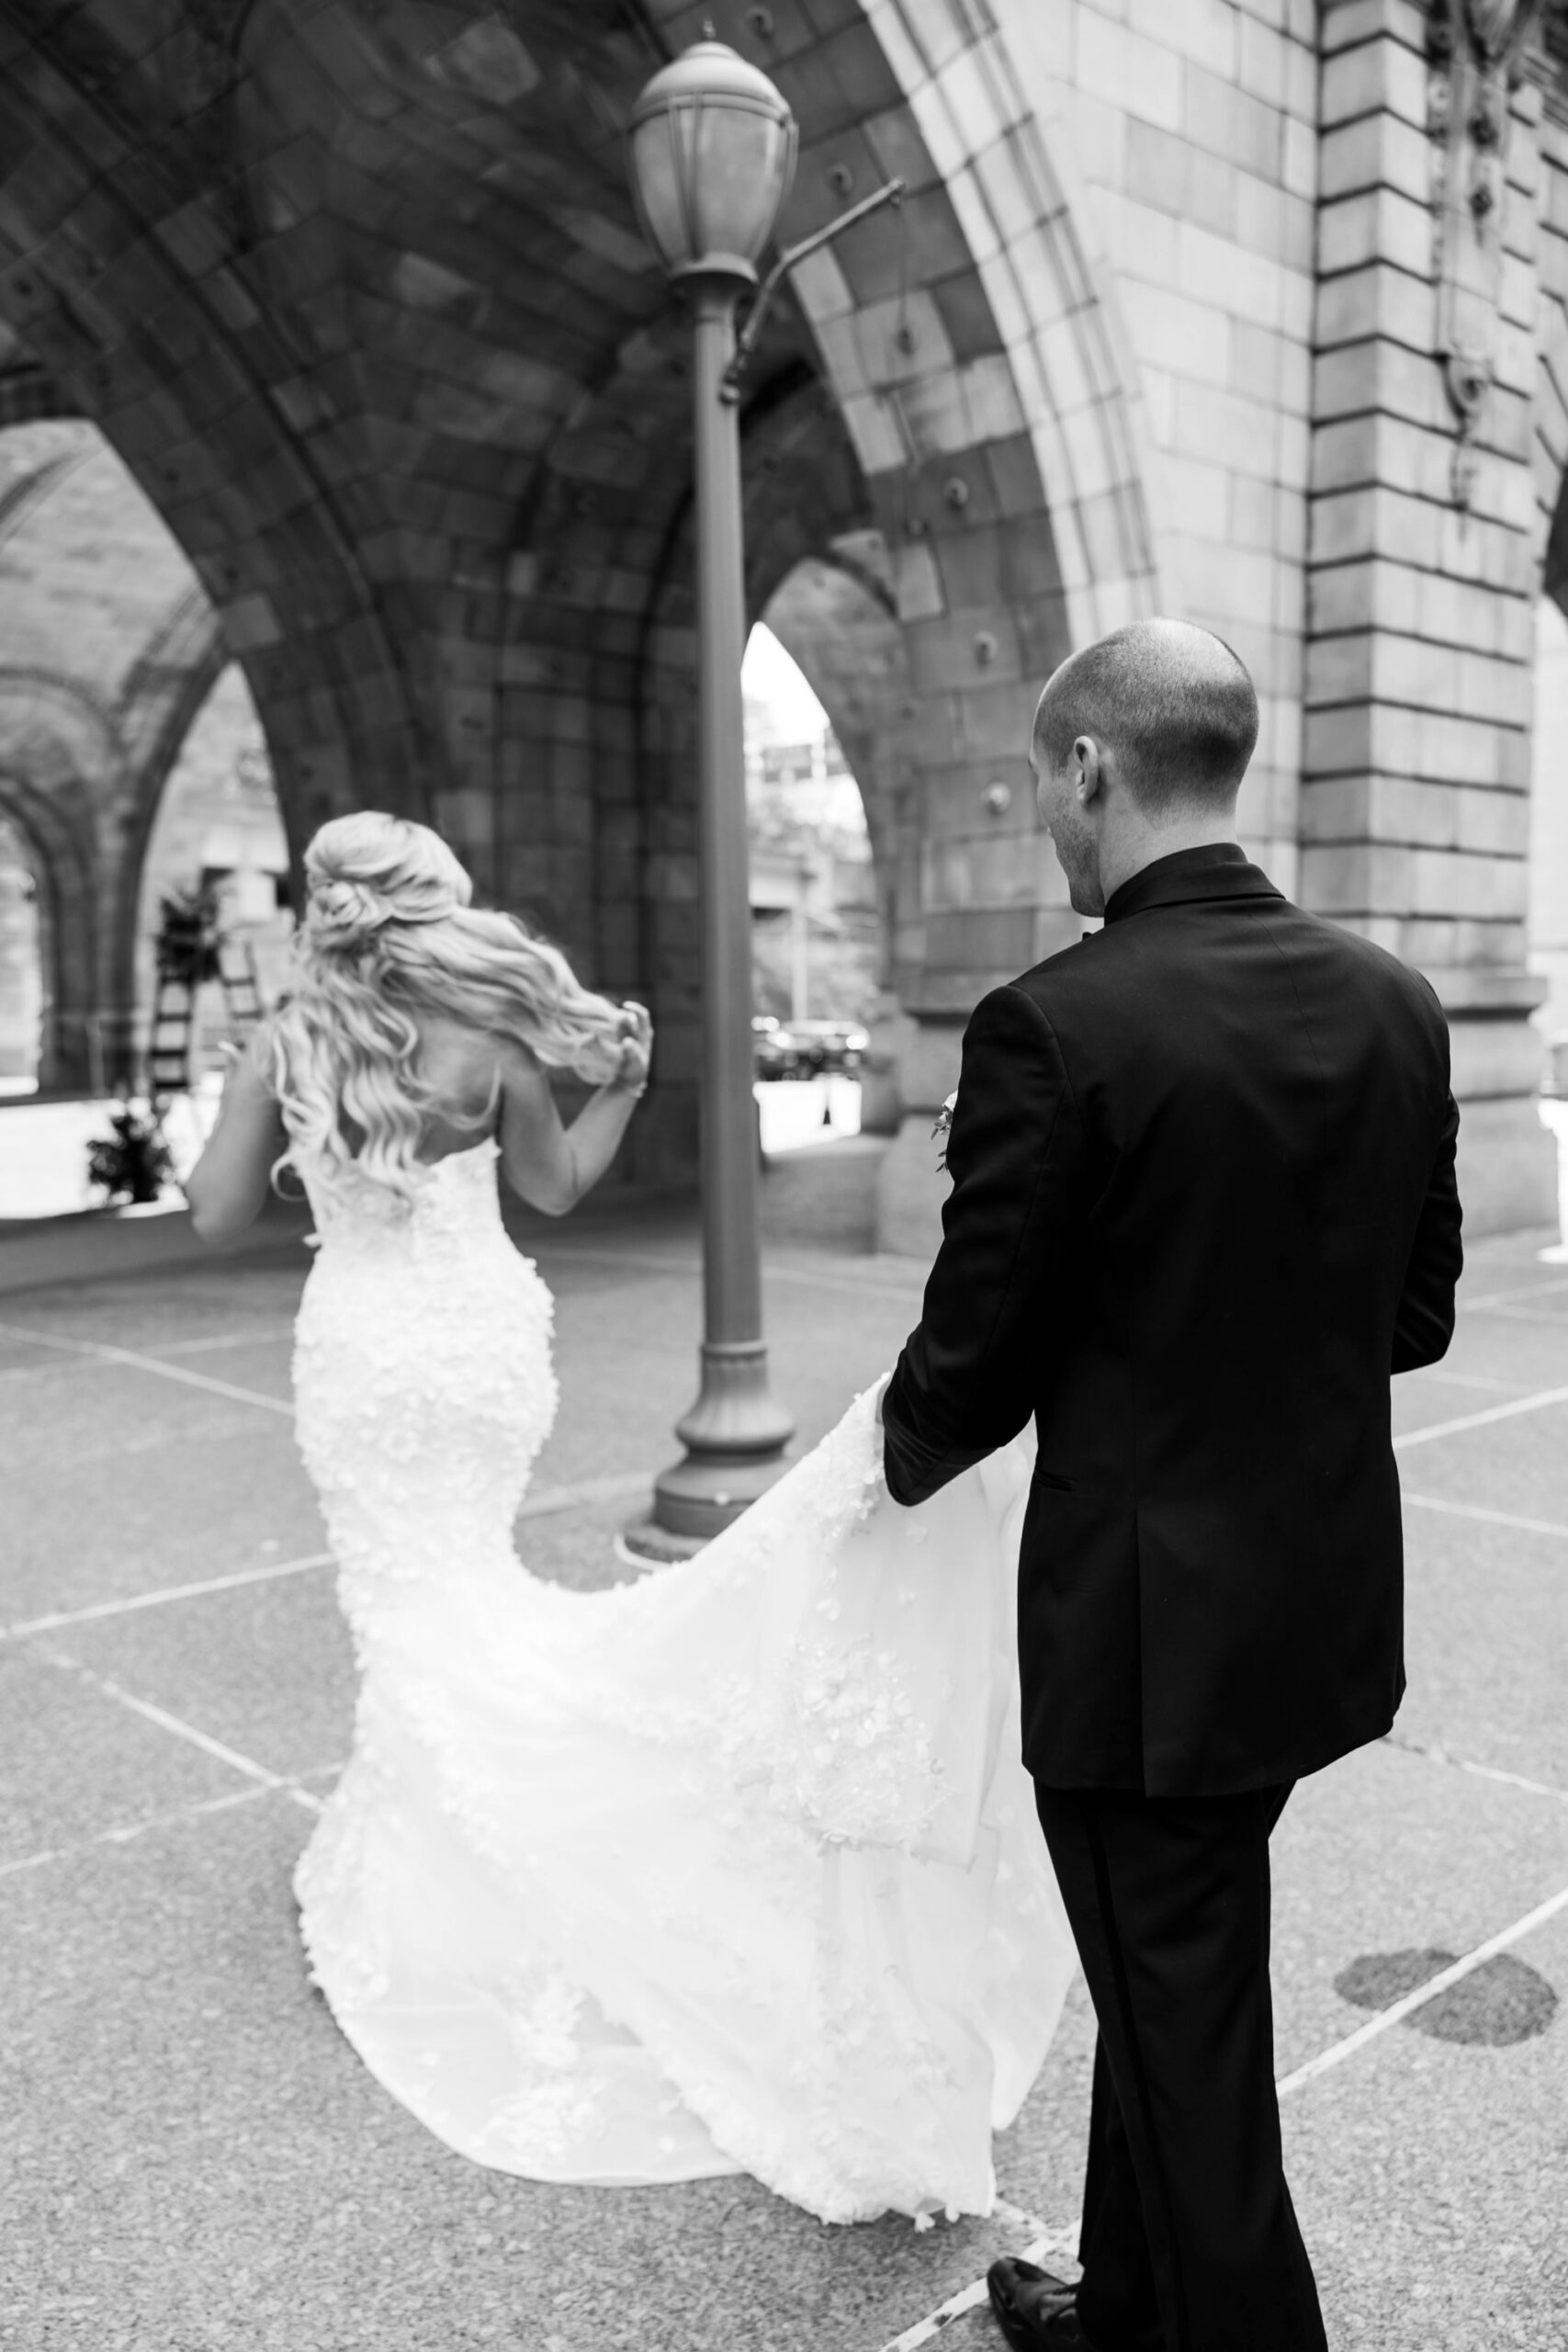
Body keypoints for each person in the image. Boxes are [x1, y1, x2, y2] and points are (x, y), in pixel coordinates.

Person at [184, 809, 1077, 2225]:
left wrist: (249, 1107)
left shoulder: (285, 1044)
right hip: (480, 1347)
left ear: (324, 909)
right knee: (460, 1585)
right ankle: (445, 1823)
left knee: (408, 1601)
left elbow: (216, 1217)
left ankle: (438, 1869)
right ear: (431, 911)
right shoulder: (486, 1042)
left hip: (363, 1350)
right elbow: (554, 1188)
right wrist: (623, 1090)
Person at [880, 619, 1462, 2350]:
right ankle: (1124, 2306)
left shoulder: (1054, 1025)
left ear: (1090, 769)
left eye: (1043, 788)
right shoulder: (1393, 1000)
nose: (1047, 822)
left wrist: (879, 1470)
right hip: (1311, 1608)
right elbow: (1411, 1320)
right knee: (1175, 1983)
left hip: (1143, 1647)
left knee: (1183, 2020)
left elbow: (975, 1359)